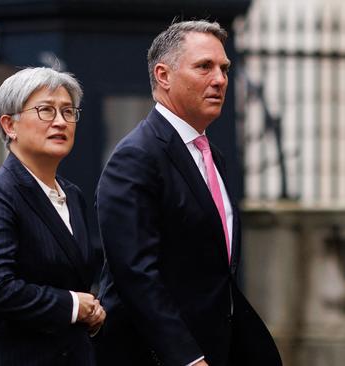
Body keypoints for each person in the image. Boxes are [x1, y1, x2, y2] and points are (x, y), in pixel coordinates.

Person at [94, 20, 282, 366]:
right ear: (163, 76)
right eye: (204, 67)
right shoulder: (136, 157)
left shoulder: (211, 155)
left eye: (224, 68)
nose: (220, 79)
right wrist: (187, 357)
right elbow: (135, 274)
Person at [0, 67, 105, 366]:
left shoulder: (72, 195)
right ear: (9, 125)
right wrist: (74, 305)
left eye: (68, 111)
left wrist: (93, 307)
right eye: (46, 111)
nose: (61, 122)